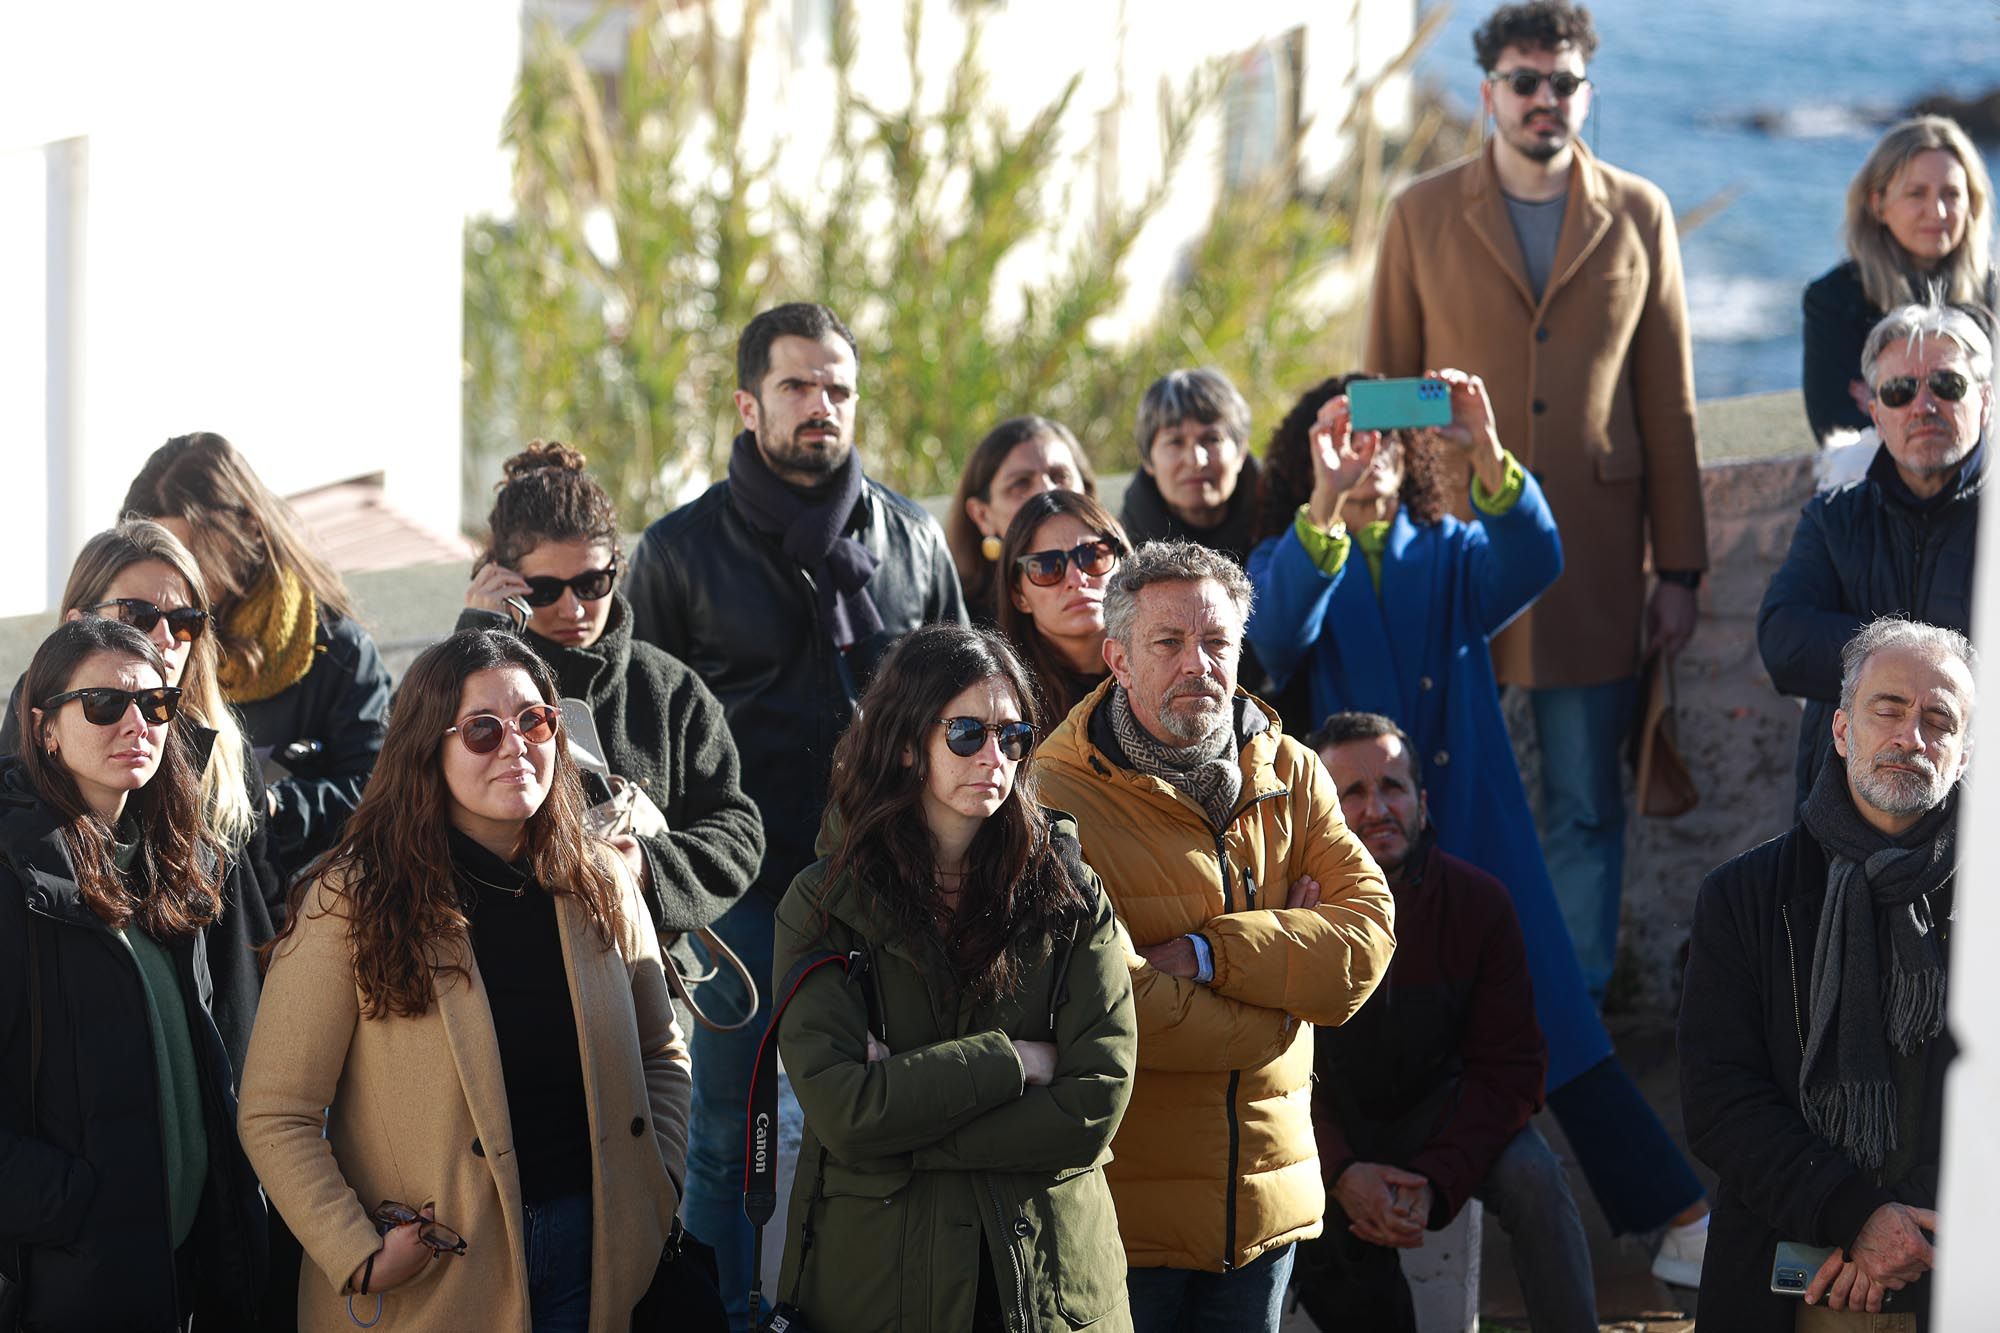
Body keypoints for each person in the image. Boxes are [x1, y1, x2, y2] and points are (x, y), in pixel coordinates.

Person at [1246, 371, 1711, 1271]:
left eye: (1382, 437)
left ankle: (1682, 1219)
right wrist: (1326, 502)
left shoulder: (1454, 549)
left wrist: (1487, 447)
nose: (1367, 453)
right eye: (1344, 437)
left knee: (1559, 1026)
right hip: (1360, 849)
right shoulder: (1290, 556)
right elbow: (1276, 637)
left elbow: (1534, 558)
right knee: (1362, 1037)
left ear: (1411, 451)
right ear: (1311, 455)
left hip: (1481, 838)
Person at [621, 301, 967, 1329]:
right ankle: (731, 1311)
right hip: (743, 893)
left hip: (898, 881)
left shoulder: (908, 537)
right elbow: (647, 730)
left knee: (905, 1111)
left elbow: (965, 698)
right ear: (747, 401)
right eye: (797, 386)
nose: (821, 406)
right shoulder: (678, 550)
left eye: (838, 388)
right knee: (728, 1132)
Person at [1365, 0, 1708, 1011]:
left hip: (1593, 564)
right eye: (1524, 81)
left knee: (1584, 803)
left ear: (1583, 93)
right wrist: (1459, 431)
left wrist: (1678, 569)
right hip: (1448, 553)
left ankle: (1576, 1007)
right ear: (1488, 94)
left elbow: (1668, 401)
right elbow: (1377, 387)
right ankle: (1439, 1005)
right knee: (1432, 796)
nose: (1542, 100)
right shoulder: (1417, 213)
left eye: (1561, 83)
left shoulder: (1638, 212)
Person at [238, 629, 690, 1331]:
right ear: (428, 747)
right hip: (430, 1286)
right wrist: (356, 1252)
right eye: (482, 730)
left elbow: (662, 1053)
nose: (516, 745)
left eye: (535, 720)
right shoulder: (347, 900)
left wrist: (657, 1187)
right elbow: (275, 1111)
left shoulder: (601, 880)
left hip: (600, 1261)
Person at [1034, 539, 1397, 1333]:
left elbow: (1366, 938)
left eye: (1217, 641)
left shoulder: (1293, 770)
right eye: (1169, 643)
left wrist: (1209, 953)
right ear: (1118, 660)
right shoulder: (1055, 794)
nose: (1198, 662)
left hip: (1265, 1209)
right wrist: (1285, 993)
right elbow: (1111, 1007)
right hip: (1127, 1218)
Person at [770, 624, 1138, 1330]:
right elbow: (845, 1111)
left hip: (1048, 1283)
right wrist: (1015, 1060)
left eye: (1013, 733)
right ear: (909, 743)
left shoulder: (1071, 889)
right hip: (881, 1283)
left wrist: (905, 1112)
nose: (994, 756)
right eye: (967, 733)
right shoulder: (823, 900)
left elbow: (1093, 1105)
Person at [1682, 617, 1970, 1331]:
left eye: (1940, 719)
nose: (1912, 736)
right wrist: (1852, 1214)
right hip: (1780, 1278)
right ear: (1841, 730)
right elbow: (1721, 1099)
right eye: (1889, 709)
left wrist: (1908, 1230)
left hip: (1957, 1269)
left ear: (1965, 757)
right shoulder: (1743, 895)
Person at [0, 617, 265, 1329]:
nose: (136, 723)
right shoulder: (13, 877)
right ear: (44, 727)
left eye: (155, 705)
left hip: (185, 1273)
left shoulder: (170, 863)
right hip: (73, 1284)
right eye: (103, 704)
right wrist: (78, 1206)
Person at [1294, 712, 1595, 1333]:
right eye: (1352, 793)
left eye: (1393, 787)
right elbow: (1273, 1071)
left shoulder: (1478, 903)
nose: (1377, 808)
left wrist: (1438, 1177)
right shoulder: (1293, 910)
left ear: (1423, 803)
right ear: (1317, 813)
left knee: (1536, 1178)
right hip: (1324, 1131)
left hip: (1440, 1120)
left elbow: (1511, 1071)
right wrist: (1341, 1170)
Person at [456, 441, 764, 1029]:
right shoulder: (455, 686)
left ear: (617, 569)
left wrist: (646, 865)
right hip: (491, 990)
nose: (574, 606)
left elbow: (739, 830)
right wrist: (475, 638)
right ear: (501, 579)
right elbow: (400, 808)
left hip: (642, 989)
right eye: (547, 590)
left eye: (594, 583)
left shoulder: (666, 686)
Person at [0, 521, 283, 1077]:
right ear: (76, 623)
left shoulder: (219, 744)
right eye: (137, 616)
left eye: (184, 622)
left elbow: (260, 911)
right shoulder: (32, 766)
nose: (163, 638)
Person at [122, 432, 392, 879]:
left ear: (247, 527)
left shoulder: (333, 648)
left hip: (292, 903)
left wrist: (270, 804)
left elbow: (380, 791)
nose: (173, 570)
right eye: (156, 550)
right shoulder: (135, 641)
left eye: (189, 550)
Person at [1762, 300, 1989, 809]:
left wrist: (1877, 675)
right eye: (1900, 390)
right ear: (1876, 414)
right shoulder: (1833, 519)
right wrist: (1929, 665)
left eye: (1947, 386)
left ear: (1986, 400)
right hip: (1844, 815)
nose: (1923, 405)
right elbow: (1783, 640)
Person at [1803, 116, 1996, 442]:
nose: (1937, 211)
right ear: (1878, 204)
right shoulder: (1833, 300)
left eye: (1951, 194)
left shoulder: (1992, 292)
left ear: (1972, 204)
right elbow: (1836, 429)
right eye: (1916, 193)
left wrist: (1890, 403)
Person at [994, 488, 1130, 725]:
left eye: (1093, 557)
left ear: (1123, 564)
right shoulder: (1003, 702)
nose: (1077, 580)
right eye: (1047, 568)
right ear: (1019, 596)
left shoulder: (1172, 665)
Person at [946, 415, 1097, 620]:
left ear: (1087, 492)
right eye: (1021, 484)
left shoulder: (1133, 591)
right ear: (982, 516)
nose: (1047, 491)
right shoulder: (960, 622)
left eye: (1060, 476)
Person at [1120, 368, 1263, 565]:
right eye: (1175, 442)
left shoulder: (1285, 531)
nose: (1196, 460)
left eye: (1212, 439)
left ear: (1241, 452)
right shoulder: (1117, 553)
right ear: (1148, 459)